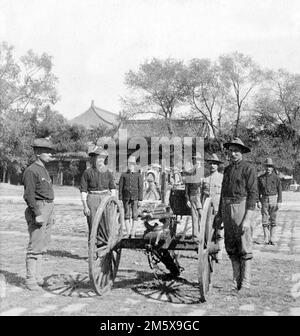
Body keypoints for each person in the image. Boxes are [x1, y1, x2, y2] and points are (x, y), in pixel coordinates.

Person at [215, 137, 258, 292]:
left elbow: (253, 194)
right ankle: (235, 280)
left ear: (242, 152)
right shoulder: (226, 170)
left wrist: (247, 218)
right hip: (226, 207)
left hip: (242, 206)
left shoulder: (249, 168)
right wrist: (219, 214)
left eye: (236, 151)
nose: (233, 154)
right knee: (231, 245)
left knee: (244, 244)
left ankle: (245, 282)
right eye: (231, 151)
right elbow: (222, 193)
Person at [23, 138, 56, 291]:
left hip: (48, 209)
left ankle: (38, 277)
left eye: (51, 151)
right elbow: (29, 195)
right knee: (35, 246)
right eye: (47, 151)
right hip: (39, 209)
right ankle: (30, 280)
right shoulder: (31, 170)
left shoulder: (43, 169)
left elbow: (48, 193)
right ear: (37, 153)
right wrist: (37, 213)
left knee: (42, 246)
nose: (51, 154)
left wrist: (51, 214)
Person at [80, 146, 116, 242]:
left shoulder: (108, 172)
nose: (100, 160)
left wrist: (113, 203)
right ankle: (92, 250)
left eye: (102, 158)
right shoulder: (87, 172)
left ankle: (104, 250)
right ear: (93, 158)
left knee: (105, 225)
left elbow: (112, 188)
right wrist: (85, 206)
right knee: (92, 225)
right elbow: (83, 190)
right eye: (98, 157)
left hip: (106, 199)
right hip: (92, 199)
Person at [203, 153, 224, 260]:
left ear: (218, 166)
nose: (212, 166)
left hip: (219, 210)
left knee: (219, 231)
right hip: (208, 211)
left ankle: (219, 253)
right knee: (208, 232)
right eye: (210, 164)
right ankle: (209, 252)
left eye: (215, 164)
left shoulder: (222, 178)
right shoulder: (205, 179)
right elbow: (203, 195)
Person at [257, 158, 282, 245]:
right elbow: (258, 191)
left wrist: (279, 201)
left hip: (273, 199)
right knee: (265, 219)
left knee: (273, 220)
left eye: (270, 167)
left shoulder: (276, 178)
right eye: (267, 166)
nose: (268, 168)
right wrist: (258, 201)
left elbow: (279, 190)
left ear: (272, 168)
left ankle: (273, 238)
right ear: (265, 167)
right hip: (264, 199)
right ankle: (266, 238)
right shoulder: (260, 178)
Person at [118, 156, 143, 238]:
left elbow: (140, 187)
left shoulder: (138, 175)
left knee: (135, 215)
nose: (130, 165)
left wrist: (140, 199)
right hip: (126, 198)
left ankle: (133, 232)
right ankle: (128, 232)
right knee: (126, 214)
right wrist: (120, 199)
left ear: (135, 165)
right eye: (129, 164)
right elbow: (120, 188)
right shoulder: (123, 175)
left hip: (135, 198)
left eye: (132, 164)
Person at [184, 152, 204, 240]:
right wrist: (187, 199)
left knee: (202, 215)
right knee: (194, 216)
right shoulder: (190, 172)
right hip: (193, 195)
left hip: (202, 196)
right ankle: (196, 236)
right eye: (195, 160)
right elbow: (187, 187)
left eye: (198, 160)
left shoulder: (205, 171)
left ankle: (203, 235)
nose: (196, 161)